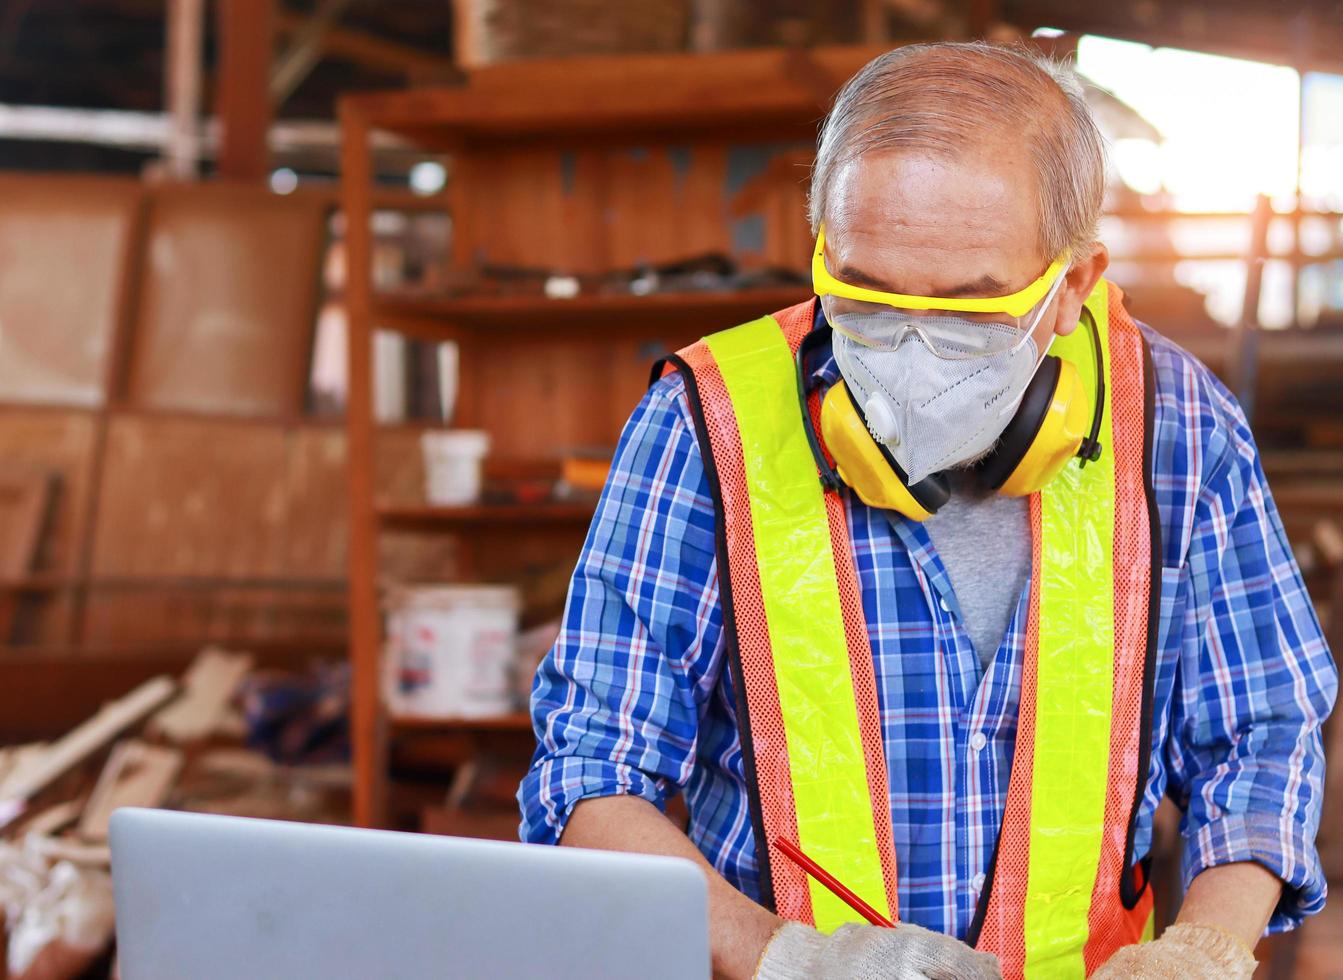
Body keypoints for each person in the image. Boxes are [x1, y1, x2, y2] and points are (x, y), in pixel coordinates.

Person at [517, 42, 1336, 980]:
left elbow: (1261, 734)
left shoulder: (1180, 427)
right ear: (823, 246)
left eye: (972, 305)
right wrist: (784, 959)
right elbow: (589, 775)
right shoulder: (705, 426)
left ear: (1072, 284)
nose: (911, 347)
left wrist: (1206, 944)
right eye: (867, 295)